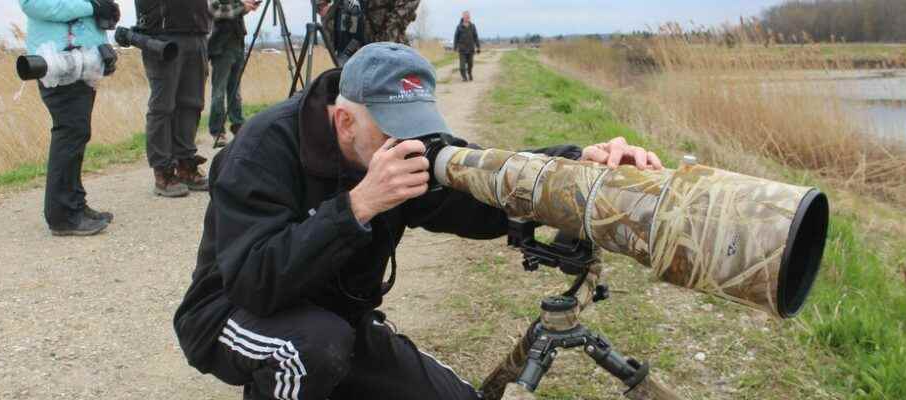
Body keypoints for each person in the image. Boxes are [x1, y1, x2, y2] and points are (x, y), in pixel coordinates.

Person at [173, 42, 663, 400]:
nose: (411, 145)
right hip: (230, 313)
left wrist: (578, 167)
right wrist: (357, 206)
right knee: (312, 349)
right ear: (345, 122)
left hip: (340, 319)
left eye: (421, 130)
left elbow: (481, 190)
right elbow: (252, 283)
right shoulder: (261, 149)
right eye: (394, 131)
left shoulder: (404, 148)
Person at [19, 0, 120, 236]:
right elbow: (33, 4)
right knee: (70, 132)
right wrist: (93, 8)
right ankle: (62, 216)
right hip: (56, 62)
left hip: (83, 62)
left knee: (78, 133)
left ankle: (75, 205)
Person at [134, 0, 212, 197]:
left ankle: (186, 164)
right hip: (162, 33)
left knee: (192, 104)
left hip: (197, 31)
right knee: (163, 106)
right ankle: (163, 170)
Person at [208, 0, 260, 149]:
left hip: (238, 45)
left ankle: (238, 125)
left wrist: (247, 7)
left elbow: (235, 11)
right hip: (222, 49)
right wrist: (242, 6)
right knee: (218, 93)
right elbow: (218, 12)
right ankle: (217, 131)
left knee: (235, 91)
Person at [453, 11, 480, 82]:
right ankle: (464, 77)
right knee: (462, 66)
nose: (467, 18)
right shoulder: (459, 27)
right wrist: (455, 47)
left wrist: (478, 47)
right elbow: (456, 37)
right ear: (463, 17)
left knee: (470, 64)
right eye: (466, 16)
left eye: (468, 16)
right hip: (462, 49)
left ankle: (469, 73)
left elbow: (476, 37)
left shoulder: (472, 26)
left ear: (469, 17)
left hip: (471, 49)